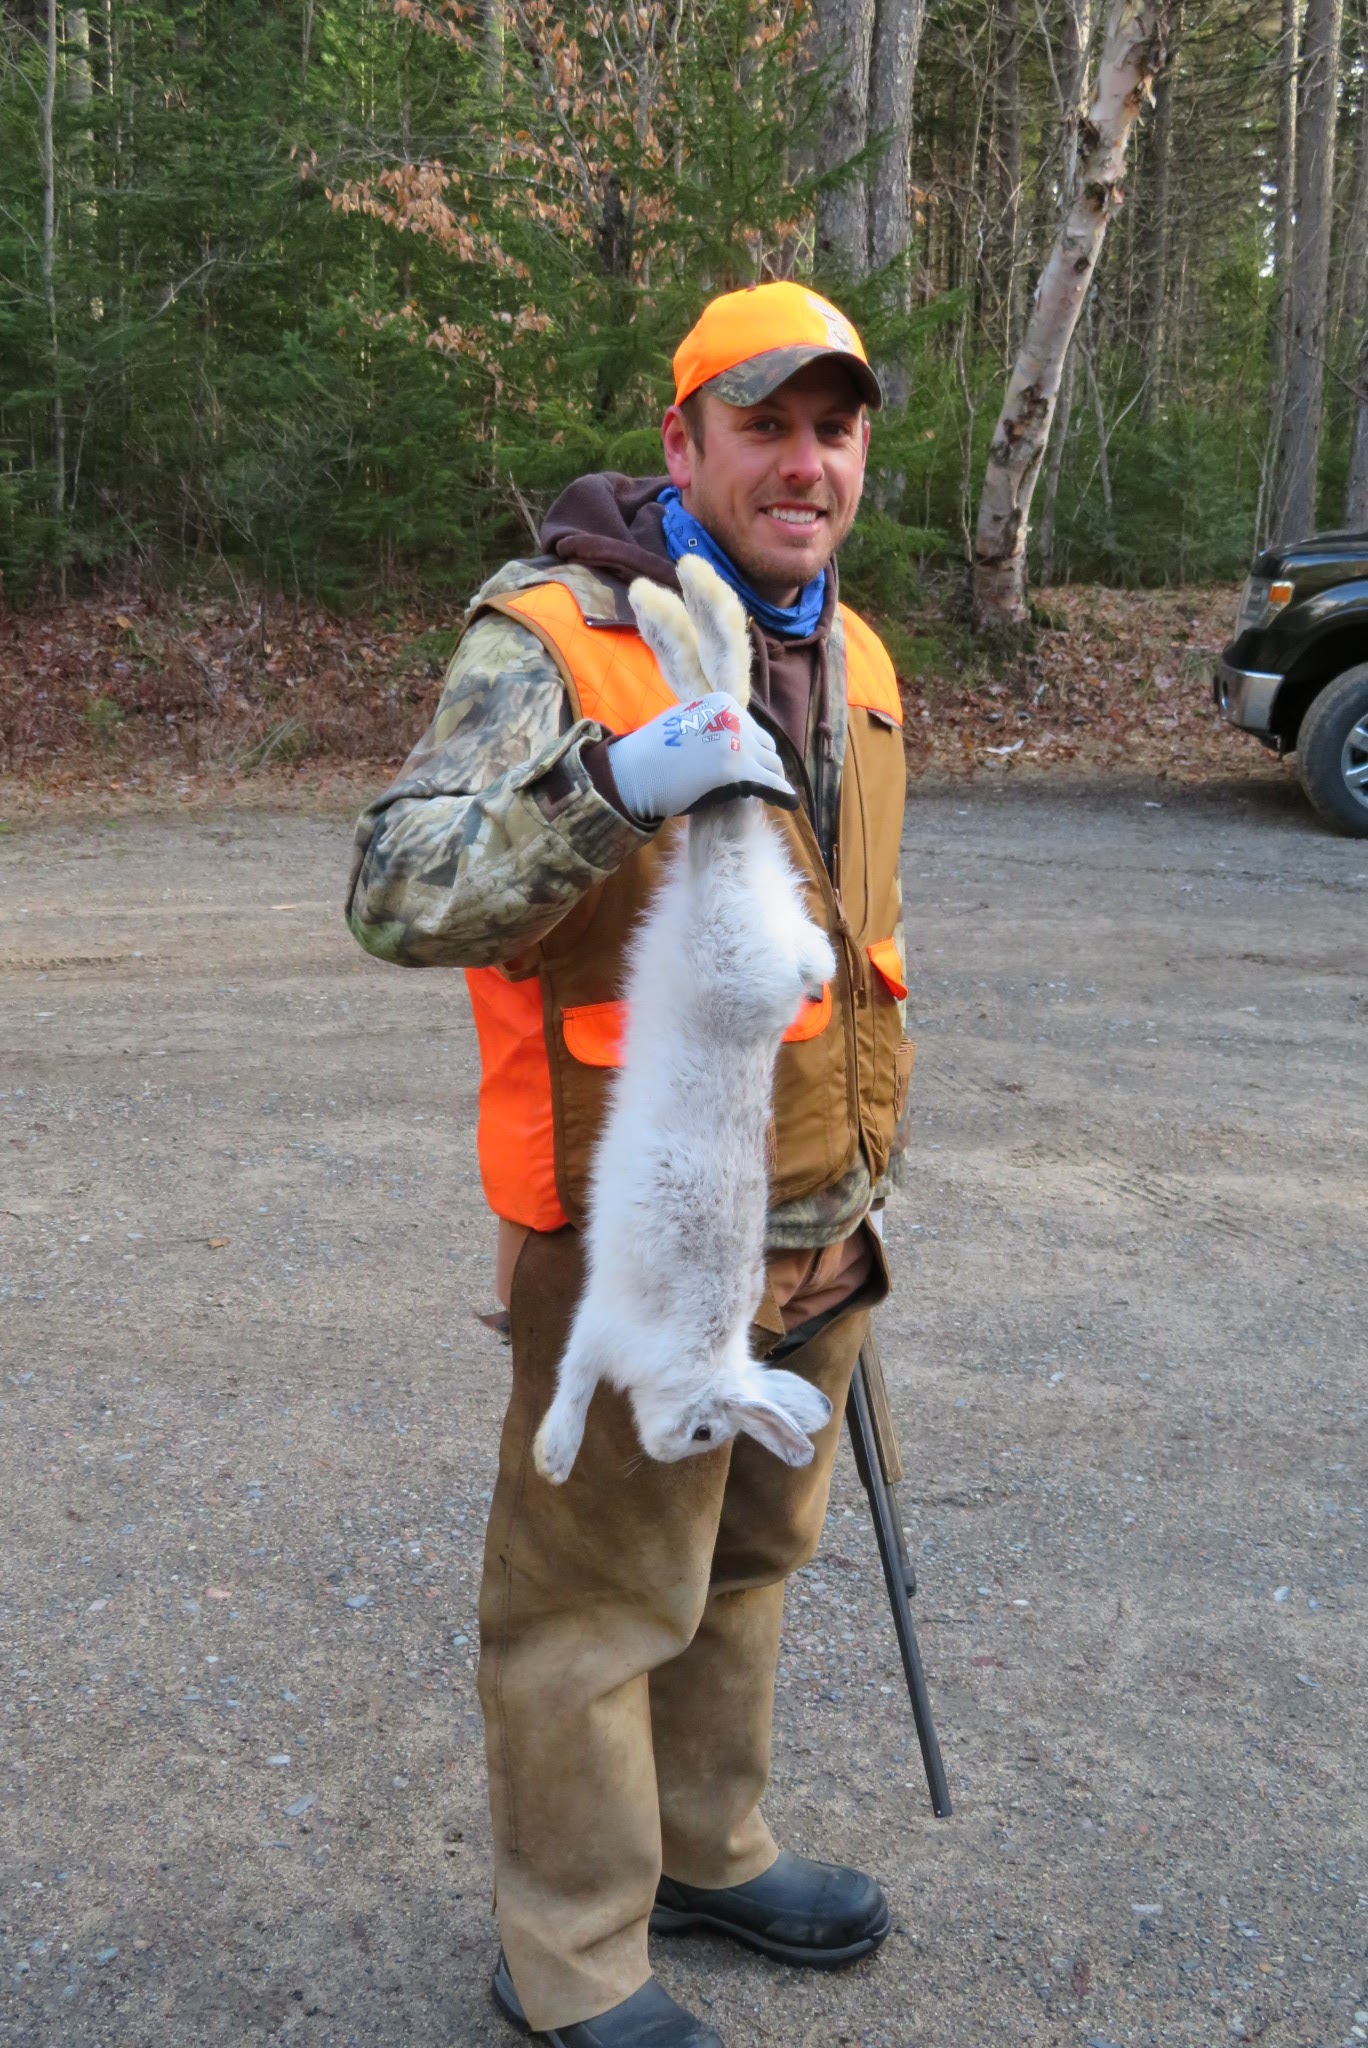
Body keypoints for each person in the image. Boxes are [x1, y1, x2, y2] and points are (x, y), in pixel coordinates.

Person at [346, 281, 914, 2048]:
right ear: (684, 440)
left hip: (815, 1219)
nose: (805, 463)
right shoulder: (554, 636)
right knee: (591, 1611)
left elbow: (851, 939)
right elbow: (398, 894)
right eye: (765, 425)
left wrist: (862, 1176)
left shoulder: (858, 650)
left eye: (833, 428)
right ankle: (573, 1956)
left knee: (744, 1568)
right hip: (632, 1230)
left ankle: (703, 1853)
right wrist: (613, 785)